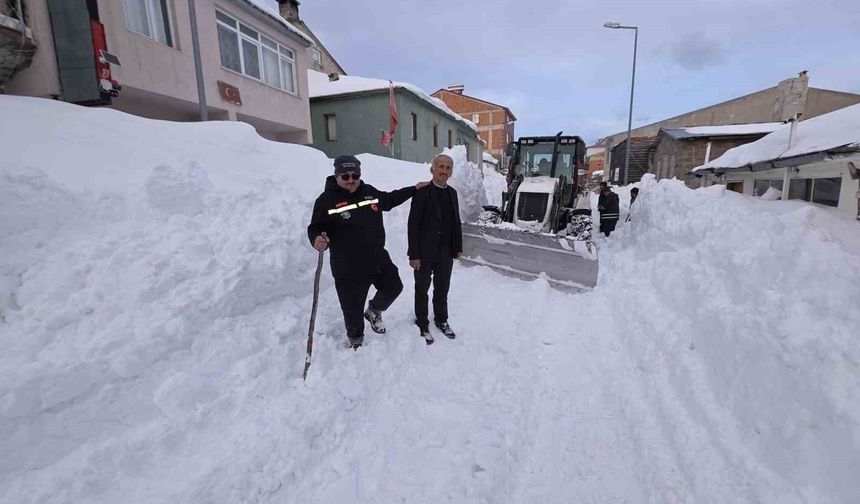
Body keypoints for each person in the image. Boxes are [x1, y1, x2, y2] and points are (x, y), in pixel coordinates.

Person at [307, 155, 428, 349]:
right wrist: (317, 239)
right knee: (352, 310)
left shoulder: (369, 192)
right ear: (336, 175)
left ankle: (374, 310)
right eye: (345, 176)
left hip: (376, 259)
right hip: (348, 267)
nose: (351, 180)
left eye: (355, 175)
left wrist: (413, 189)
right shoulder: (326, 200)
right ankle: (356, 340)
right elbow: (315, 227)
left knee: (393, 286)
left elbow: (390, 199)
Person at [407, 154, 463, 344]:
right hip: (424, 252)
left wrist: (458, 248)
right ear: (432, 169)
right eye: (441, 167)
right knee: (422, 288)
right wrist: (414, 254)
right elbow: (413, 225)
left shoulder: (452, 193)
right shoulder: (422, 192)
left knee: (442, 288)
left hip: (445, 250)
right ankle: (422, 323)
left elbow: (456, 222)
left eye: (448, 168)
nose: (444, 171)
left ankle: (441, 319)